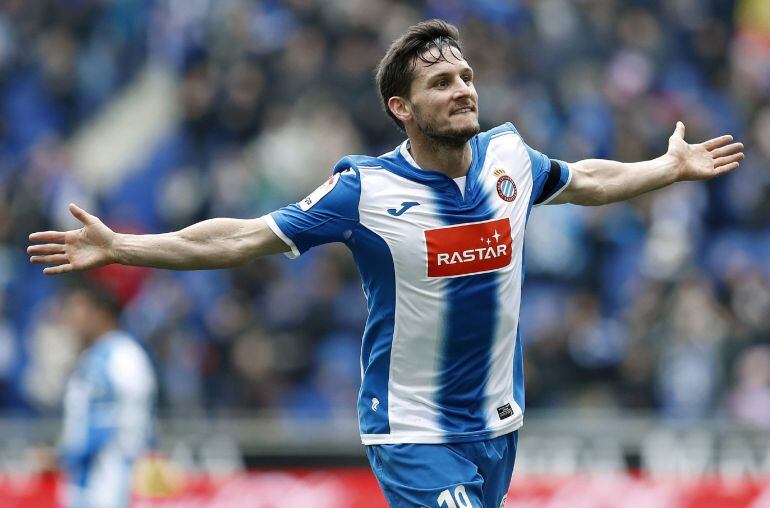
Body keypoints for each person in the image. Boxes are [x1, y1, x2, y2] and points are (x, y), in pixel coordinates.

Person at [28, 19, 743, 508]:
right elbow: (239, 237)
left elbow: (583, 180)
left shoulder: (509, 157)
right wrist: (124, 246)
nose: (463, 88)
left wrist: (665, 168)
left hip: (497, 427)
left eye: (466, 76)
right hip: (411, 432)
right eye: (441, 84)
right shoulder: (362, 190)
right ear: (401, 107)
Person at [56, 281, 157, 508]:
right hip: (84, 477)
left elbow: (130, 422)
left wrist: (70, 451)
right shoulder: (92, 356)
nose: (71, 318)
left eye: (77, 309)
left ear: (100, 313)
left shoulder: (124, 356)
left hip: (109, 478)